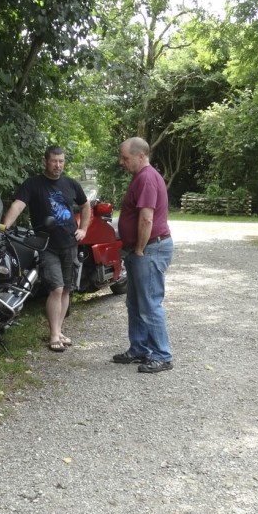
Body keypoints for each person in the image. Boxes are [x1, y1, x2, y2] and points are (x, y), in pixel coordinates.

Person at [2, 145, 90, 352]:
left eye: (61, 161)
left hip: (70, 243)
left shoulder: (71, 184)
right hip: (47, 245)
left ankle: (59, 331)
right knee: (56, 288)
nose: (58, 165)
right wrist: (4, 226)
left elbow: (85, 206)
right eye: (54, 161)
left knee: (67, 289)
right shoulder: (33, 184)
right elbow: (18, 205)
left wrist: (84, 229)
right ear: (45, 162)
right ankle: (53, 335)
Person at [112, 137, 174, 374]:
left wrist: (138, 248)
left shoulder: (147, 178)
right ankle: (139, 349)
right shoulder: (141, 177)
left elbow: (147, 218)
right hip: (143, 250)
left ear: (140, 156)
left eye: (125, 158)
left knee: (149, 304)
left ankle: (162, 355)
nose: (121, 162)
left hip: (150, 249)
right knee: (135, 302)